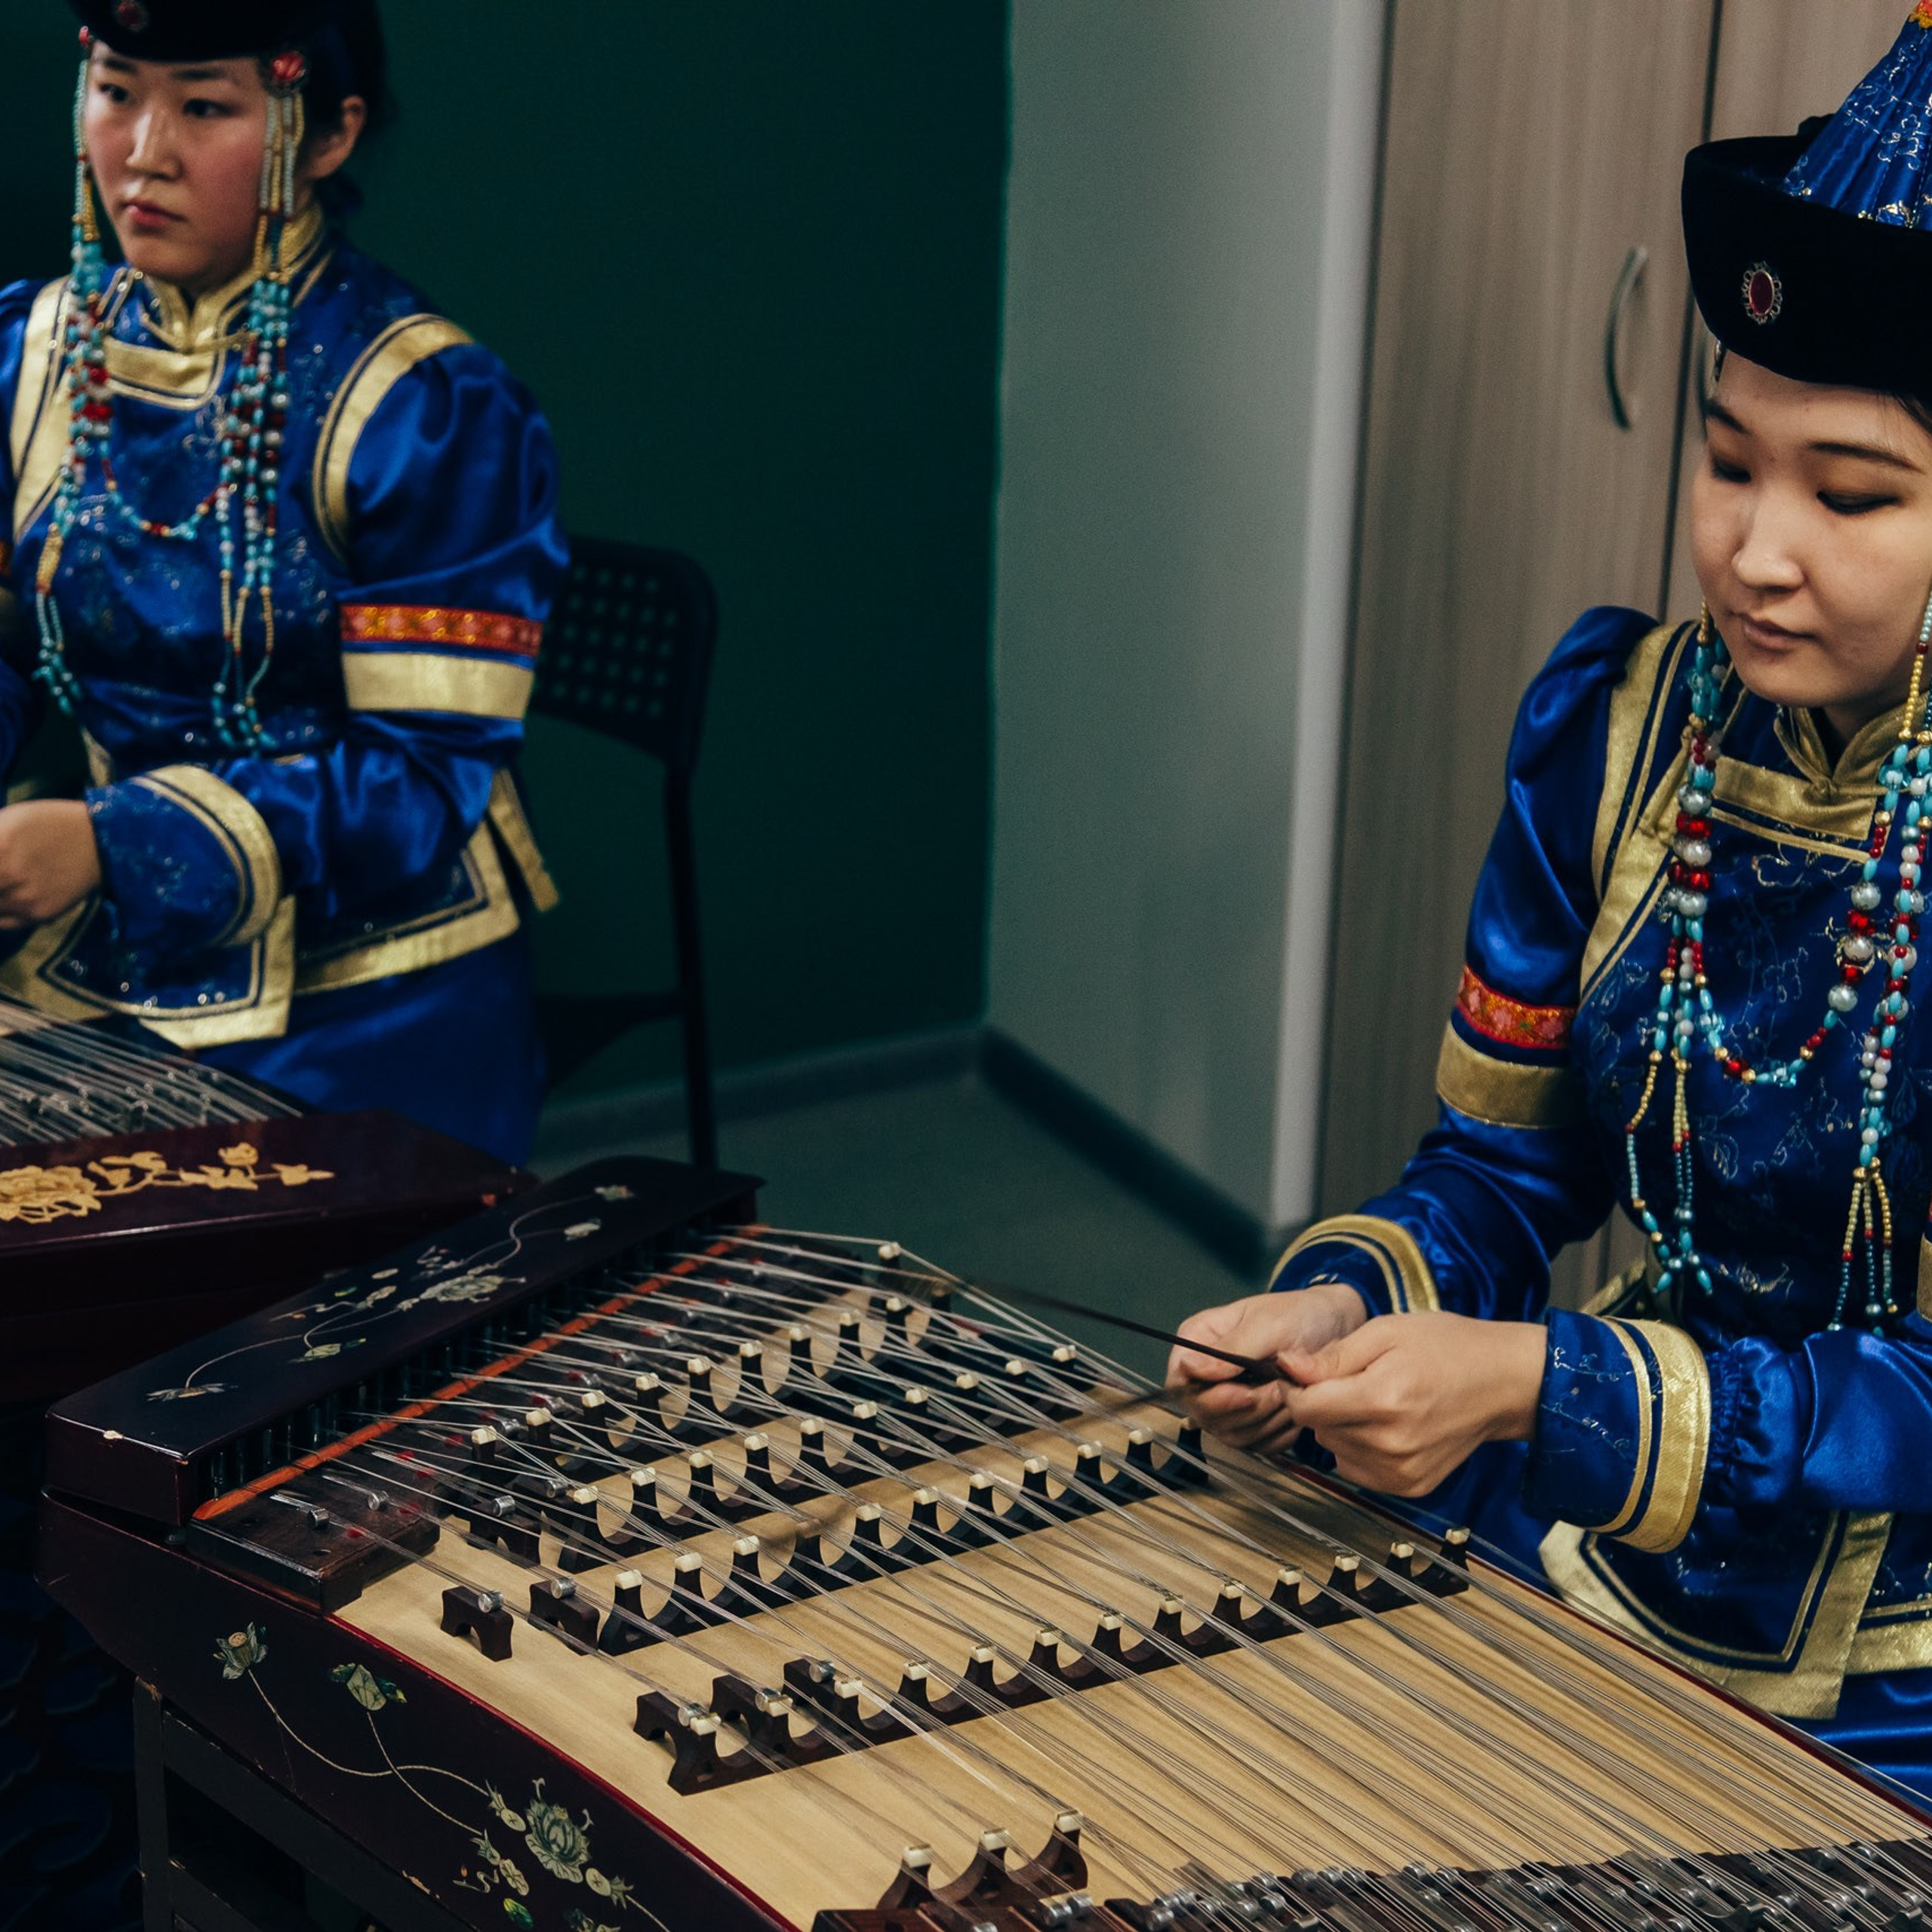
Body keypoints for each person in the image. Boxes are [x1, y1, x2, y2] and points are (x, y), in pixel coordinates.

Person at [1173, 8, 1932, 1801]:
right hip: (1612, 1500)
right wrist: (1355, 1298)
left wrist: (1540, 1384)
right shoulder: (1614, 732)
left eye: (1852, 495)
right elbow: (1507, 1171)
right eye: (1726, 457)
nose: (1753, 549)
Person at [0, 0, 565, 1165]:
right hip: (95, 943)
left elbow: (420, 778)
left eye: (204, 105)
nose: (143, 151)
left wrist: (107, 840)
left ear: (326, 132)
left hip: (375, 985)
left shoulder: (421, 407)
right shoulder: (33, 357)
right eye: (116, 89)